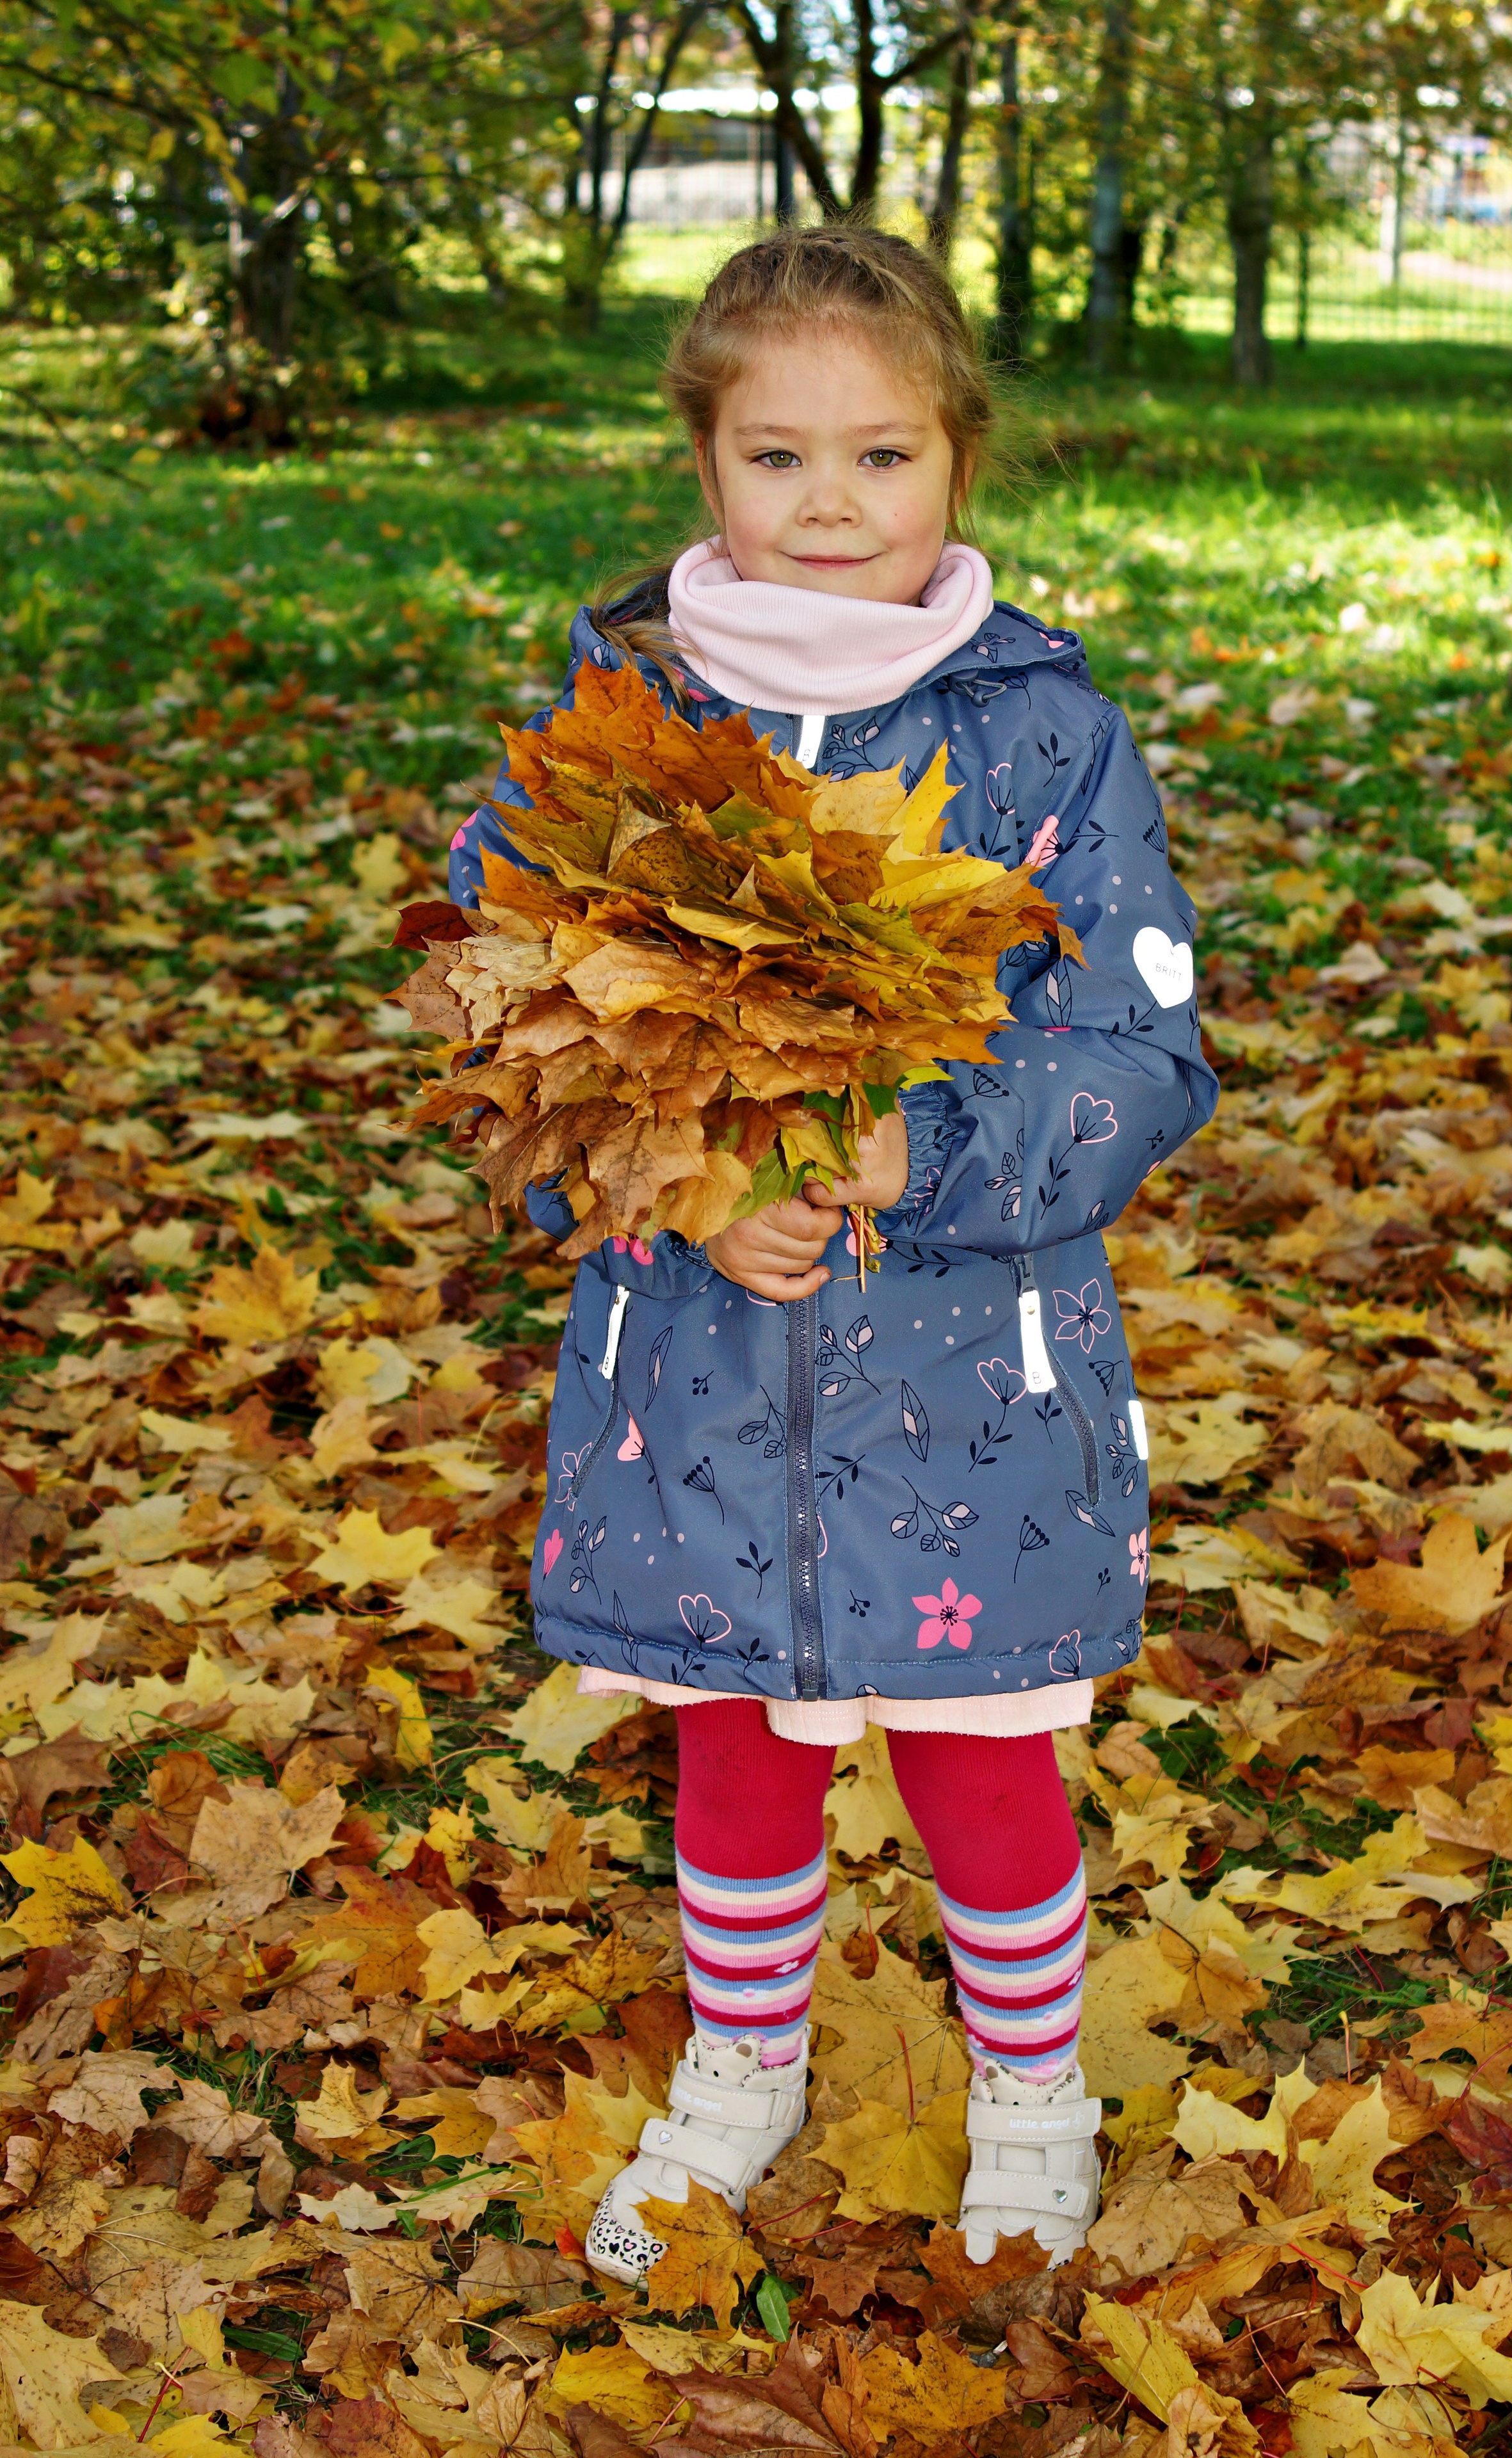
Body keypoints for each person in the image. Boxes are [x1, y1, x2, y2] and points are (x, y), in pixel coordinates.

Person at [448, 225, 1218, 2285]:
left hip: (975, 1377)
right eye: (777, 456)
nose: (830, 505)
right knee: (731, 1732)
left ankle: (1034, 2092)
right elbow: (499, 1032)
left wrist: (923, 1142)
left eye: (881, 456)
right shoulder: (611, 730)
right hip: (692, 1371)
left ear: (959, 461)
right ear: (704, 470)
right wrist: (672, 1181)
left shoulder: (1043, 743)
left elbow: (1145, 1055)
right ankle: (741, 2065)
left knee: (983, 1752)